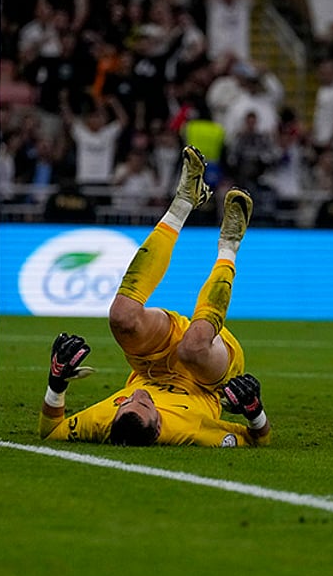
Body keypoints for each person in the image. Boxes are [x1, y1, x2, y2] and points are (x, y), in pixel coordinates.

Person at [38, 146, 270, 447]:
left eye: (126, 401)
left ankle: (184, 202)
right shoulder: (185, 431)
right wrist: (254, 412)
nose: (138, 395)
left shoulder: (104, 422)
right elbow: (258, 441)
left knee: (122, 317)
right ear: (159, 424)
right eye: (146, 404)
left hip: (153, 364)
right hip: (206, 376)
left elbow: (51, 432)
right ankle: (229, 245)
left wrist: (56, 382)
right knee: (193, 346)